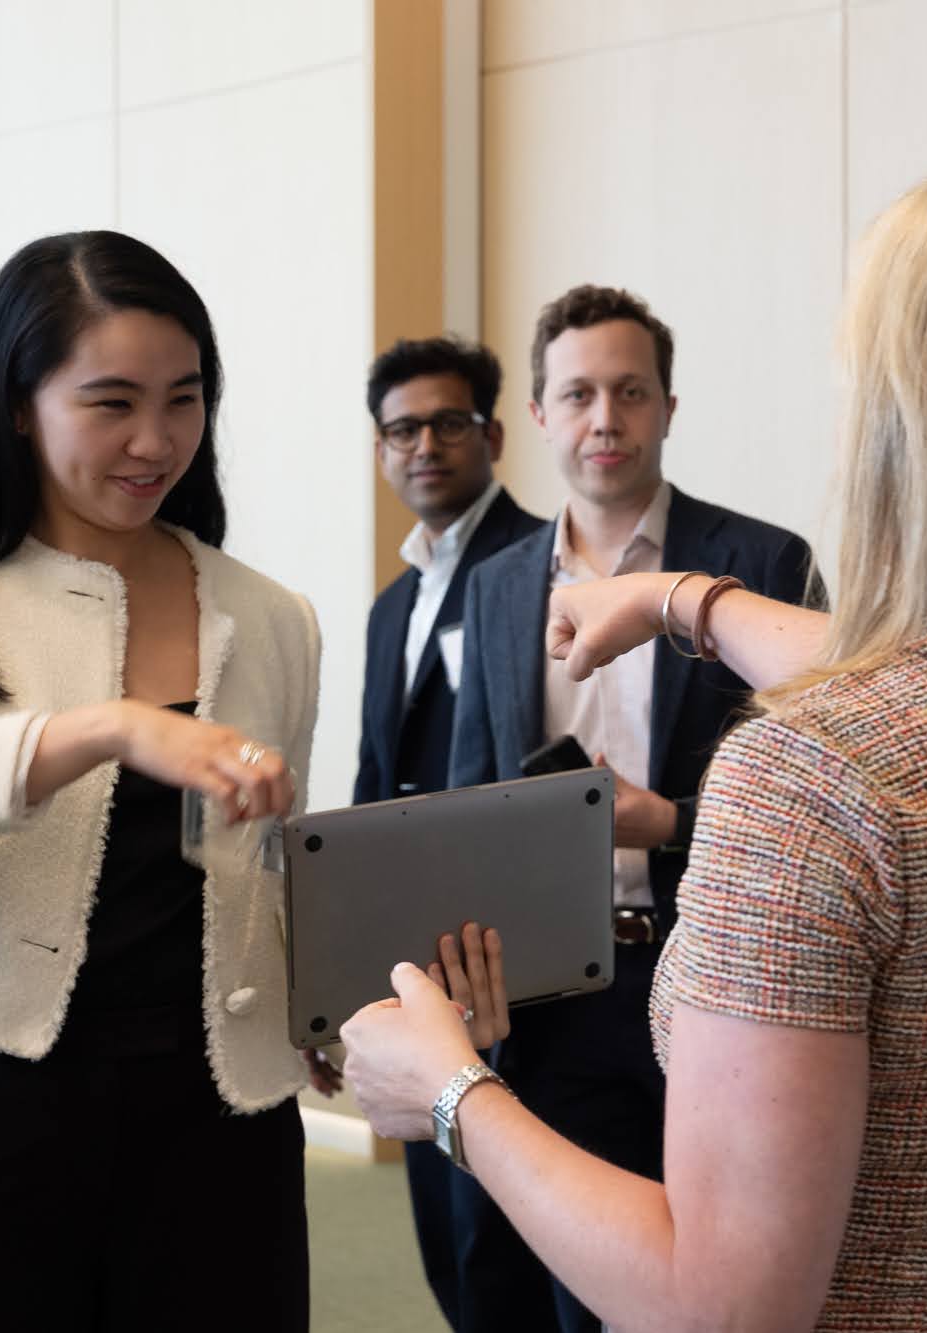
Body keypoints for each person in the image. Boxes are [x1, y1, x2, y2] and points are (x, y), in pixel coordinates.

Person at [341, 171, 927, 1330]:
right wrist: (682, 600)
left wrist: (450, 1095)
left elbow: (722, 1308)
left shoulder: (811, 778)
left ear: (902, 419)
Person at [0, 231, 327, 1330]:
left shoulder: (269, 616)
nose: (155, 441)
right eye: (111, 402)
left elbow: (270, 864)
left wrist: (333, 1003)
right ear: (19, 405)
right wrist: (102, 730)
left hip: (221, 1115)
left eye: (184, 399)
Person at [440, 283, 821, 1331]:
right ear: (538, 414)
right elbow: (472, 789)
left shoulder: (760, 566)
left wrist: (668, 824)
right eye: (578, 395)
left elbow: (812, 794)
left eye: (630, 391)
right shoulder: (496, 585)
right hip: (553, 989)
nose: (604, 418)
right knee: (581, 1283)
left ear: (668, 406)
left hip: (717, 978)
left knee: (724, 1284)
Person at [353, 335, 549, 1330]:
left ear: (494, 435)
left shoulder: (545, 567)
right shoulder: (392, 605)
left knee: (505, 1239)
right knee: (441, 1226)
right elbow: (371, 785)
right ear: (381, 448)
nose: (424, 445)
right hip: (412, 953)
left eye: (447, 423)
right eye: (402, 429)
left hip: (514, 952)